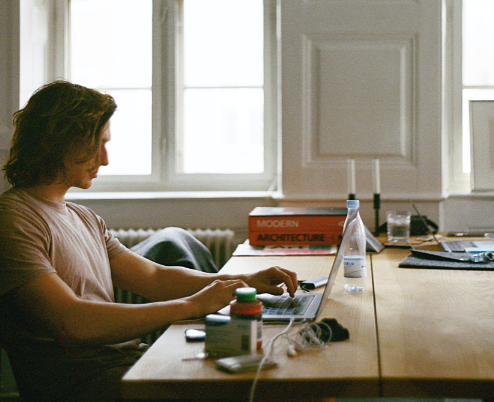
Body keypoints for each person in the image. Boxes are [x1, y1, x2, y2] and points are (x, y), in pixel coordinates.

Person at [0, 81, 298, 402]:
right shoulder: (13, 219)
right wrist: (191, 306)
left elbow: (155, 277)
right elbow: (74, 322)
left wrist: (242, 282)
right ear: (58, 142)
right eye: (96, 145)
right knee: (263, 388)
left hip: (124, 362)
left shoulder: (85, 217)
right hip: (82, 383)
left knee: (281, 373)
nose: (105, 159)